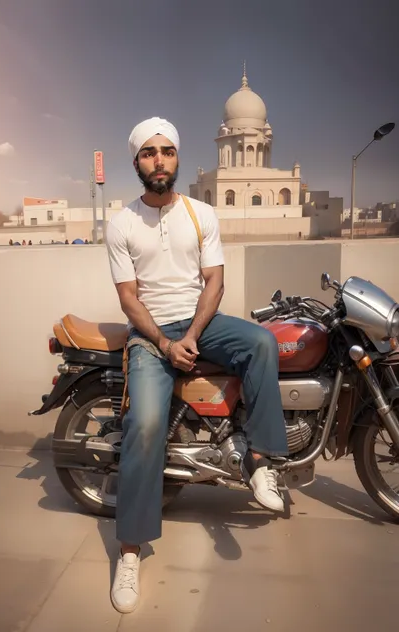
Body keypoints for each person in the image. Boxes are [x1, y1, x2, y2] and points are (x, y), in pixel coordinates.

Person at [105, 117, 288, 614]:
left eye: (166, 150)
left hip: (200, 322)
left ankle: (259, 459)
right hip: (150, 335)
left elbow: (214, 282)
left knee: (262, 343)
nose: (159, 159)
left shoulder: (201, 212)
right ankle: (129, 550)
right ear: (137, 161)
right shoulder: (120, 222)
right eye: (148, 152)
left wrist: (190, 335)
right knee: (144, 424)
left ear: (178, 157)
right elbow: (128, 299)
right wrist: (166, 344)